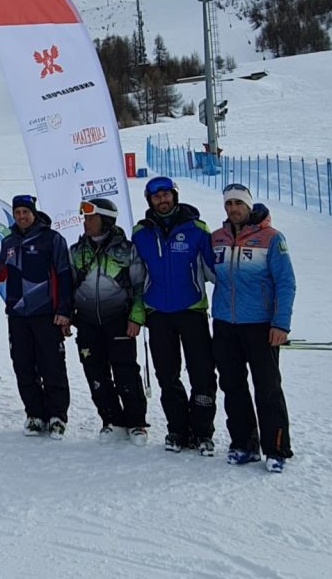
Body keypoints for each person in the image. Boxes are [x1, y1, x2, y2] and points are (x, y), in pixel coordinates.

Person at [211, 183, 296, 473]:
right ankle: (244, 444)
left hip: (260, 325)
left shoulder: (271, 238)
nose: (233, 209)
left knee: (268, 388)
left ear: (248, 206)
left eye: (238, 204)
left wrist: (281, 323)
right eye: (228, 204)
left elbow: (286, 283)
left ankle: (276, 448)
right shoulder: (217, 238)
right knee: (232, 386)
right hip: (225, 324)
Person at [132, 176, 218, 456]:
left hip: (192, 310)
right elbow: (135, 278)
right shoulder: (142, 233)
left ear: (174, 196)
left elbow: (217, 273)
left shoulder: (197, 228)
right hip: (158, 313)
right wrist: (137, 311)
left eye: (167, 194)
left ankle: (203, 431)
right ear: (150, 200)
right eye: (156, 197)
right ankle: (177, 429)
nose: (162, 200)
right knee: (166, 375)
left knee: (202, 374)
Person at [0, 194, 74, 439]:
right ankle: (34, 414)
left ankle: (57, 415)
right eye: (17, 213)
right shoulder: (8, 242)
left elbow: (64, 275)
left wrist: (64, 310)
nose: (21, 217)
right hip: (17, 314)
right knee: (23, 365)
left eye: (25, 212)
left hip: (46, 313)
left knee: (52, 366)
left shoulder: (51, 239)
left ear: (33, 213)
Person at [70, 198, 149, 445]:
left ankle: (136, 423)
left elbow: (139, 286)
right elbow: (67, 287)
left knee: (125, 371)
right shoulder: (76, 251)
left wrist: (136, 317)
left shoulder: (127, 250)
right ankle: (111, 420)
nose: (87, 223)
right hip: (86, 322)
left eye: (92, 218)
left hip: (119, 321)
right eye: (85, 218)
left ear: (106, 220)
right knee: (95, 372)